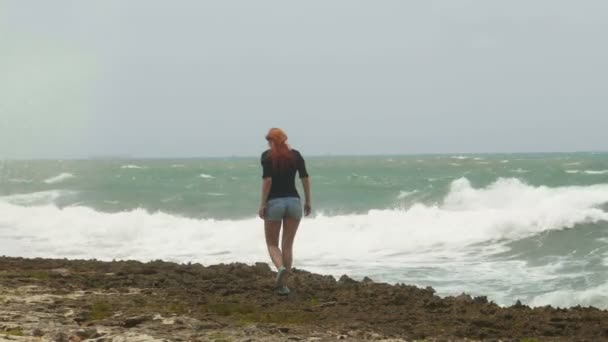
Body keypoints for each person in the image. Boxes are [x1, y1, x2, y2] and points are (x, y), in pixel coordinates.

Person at [258, 128, 311, 295]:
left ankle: (280, 268)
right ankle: (284, 285)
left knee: (272, 244)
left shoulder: (267, 156)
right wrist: (308, 200)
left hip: (275, 203)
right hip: (294, 202)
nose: (268, 143)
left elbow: (267, 180)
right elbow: (304, 177)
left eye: (269, 140)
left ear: (273, 141)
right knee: (287, 245)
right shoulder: (296, 155)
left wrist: (262, 203)